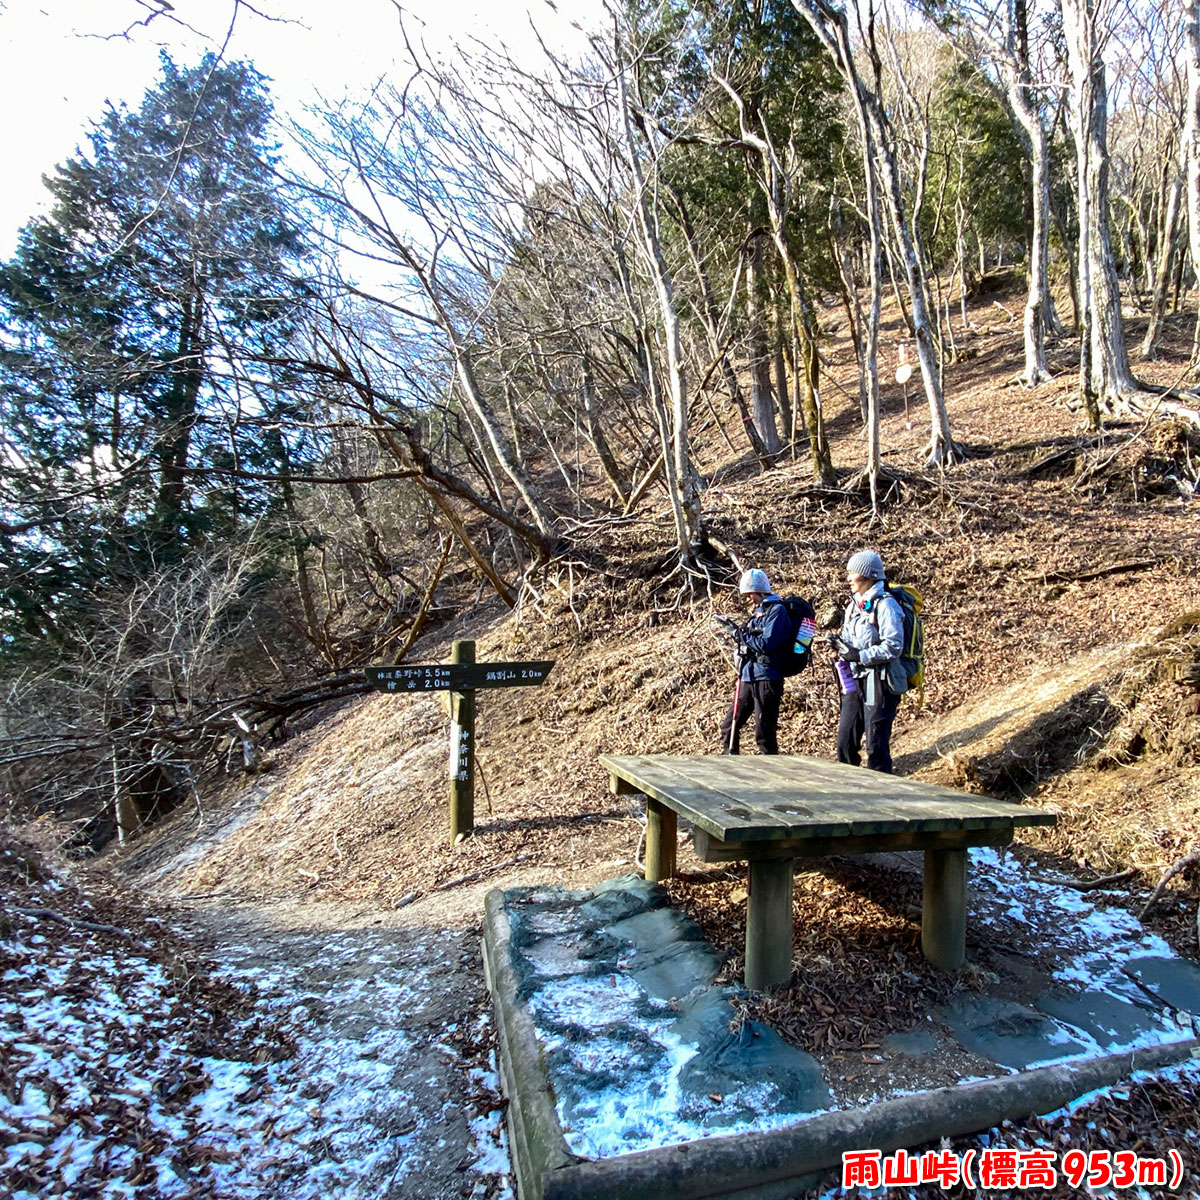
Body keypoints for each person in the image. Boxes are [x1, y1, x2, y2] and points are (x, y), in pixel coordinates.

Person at [831, 550, 905, 774]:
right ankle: (851, 788)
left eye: (852, 574)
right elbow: (850, 640)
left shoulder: (886, 605)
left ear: (866, 576)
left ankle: (880, 796)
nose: (848, 579)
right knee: (844, 743)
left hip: (880, 683)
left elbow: (894, 645)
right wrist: (839, 647)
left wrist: (860, 656)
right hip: (855, 681)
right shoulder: (854, 604)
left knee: (876, 747)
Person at [717, 569, 790, 755]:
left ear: (760, 591)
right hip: (748, 676)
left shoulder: (777, 611)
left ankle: (772, 771)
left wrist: (740, 635)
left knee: (764, 732)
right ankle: (730, 764)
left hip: (767, 677)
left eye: (750, 594)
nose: (749, 599)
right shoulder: (758, 612)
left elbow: (767, 643)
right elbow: (750, 642)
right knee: (729, 726)